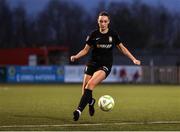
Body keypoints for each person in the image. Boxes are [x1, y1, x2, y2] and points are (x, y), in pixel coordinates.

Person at [70, 11, 141, 121]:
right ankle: (91, 101)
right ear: (98, 22)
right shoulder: (93, 34)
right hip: (92, 63)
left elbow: (122, 48)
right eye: (101, 21)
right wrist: (76, 56)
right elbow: (85, 50)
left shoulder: (113, 34)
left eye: (105, 21)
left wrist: (133, 59)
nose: (103, 23)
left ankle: (78, 111)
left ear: (108, 22)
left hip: (105, 65)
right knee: (84, 90)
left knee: (90, 85)